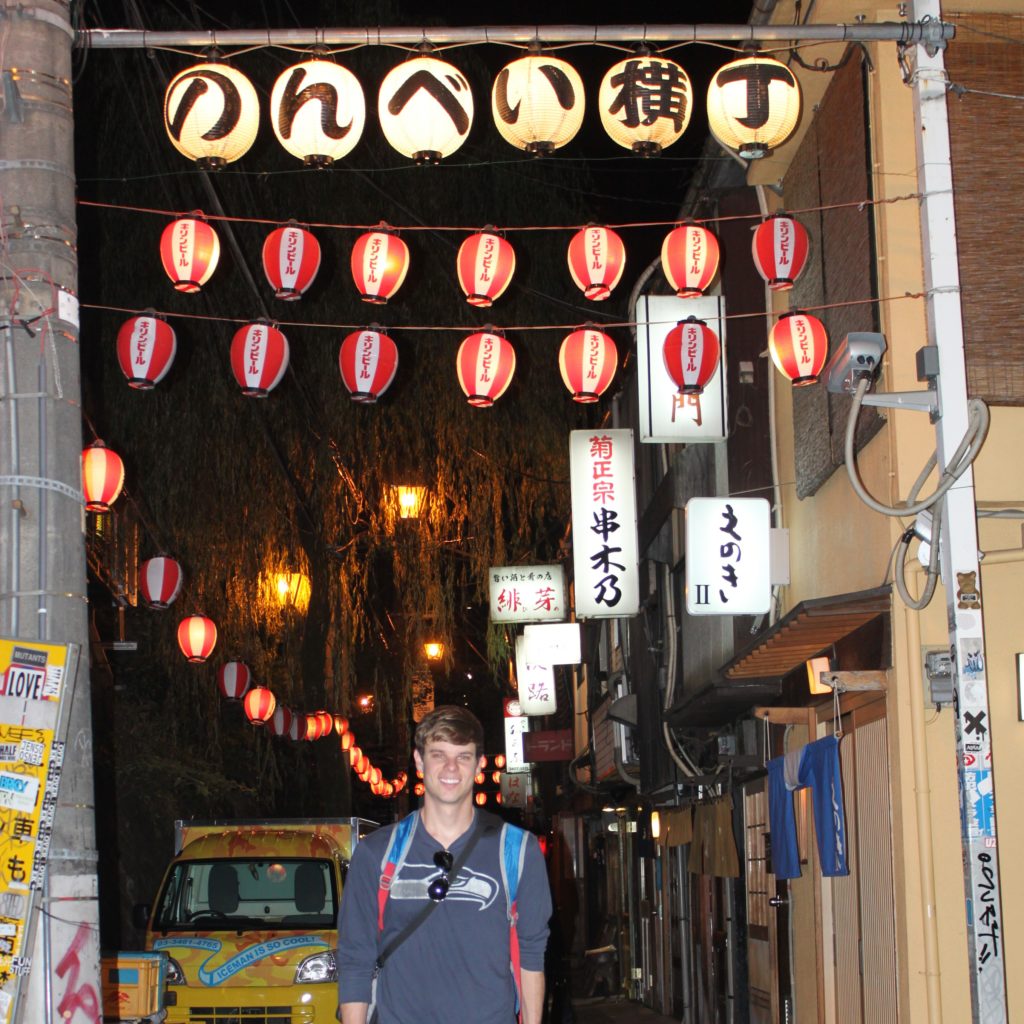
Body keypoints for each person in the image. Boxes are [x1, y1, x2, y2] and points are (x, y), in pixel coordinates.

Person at [337, 705, 552, 1024]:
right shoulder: (376, 854)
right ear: (420, 761)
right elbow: (356, 958)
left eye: (463, 756)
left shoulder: (518, 851)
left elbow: (531, 956)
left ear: (480, 764)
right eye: (438, 754)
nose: (451, 767)